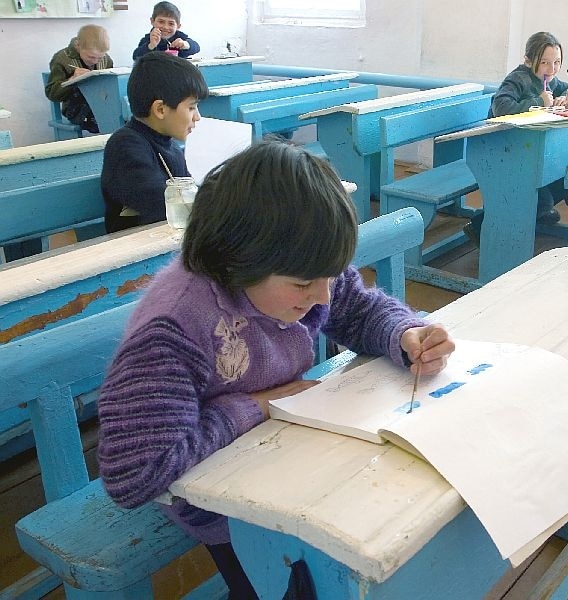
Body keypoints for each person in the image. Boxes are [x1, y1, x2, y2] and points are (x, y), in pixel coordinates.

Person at [97, 138, 456, 599]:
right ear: (236, 261)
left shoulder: (299, 266)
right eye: (305, 285)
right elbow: (136, 472)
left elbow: (357, 309)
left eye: (331, 276)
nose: (323, 295)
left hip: (290, 457)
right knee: (295, 584)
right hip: (224, 505)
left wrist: (405, 335)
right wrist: (255, 406)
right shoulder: (174, 329)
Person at [464, 31, 568, 246]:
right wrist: (538, 101)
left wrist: (565, 98)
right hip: (500, 150)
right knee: (538, 195)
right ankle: (480, 226)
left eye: (557, 62)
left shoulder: (549, 79)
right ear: (528, 61)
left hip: (524, 151)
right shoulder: (519, 78)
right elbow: (501, 107)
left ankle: (536, 211)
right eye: (545, 62)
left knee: (561, 178)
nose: (552, 69)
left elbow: (565, 89)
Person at [100, 51, 208, 233]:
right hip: (133, 245)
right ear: (160, 109)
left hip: (167, 238)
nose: (197, 117)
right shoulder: (125, 145)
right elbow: (159, 204)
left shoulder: (171, 146)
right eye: (191, 107)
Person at [45, 24, 113, 134]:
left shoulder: (107, 59)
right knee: (110, 119)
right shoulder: (61, 59)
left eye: (100, 58)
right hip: (76, 108)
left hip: (101, 104)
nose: (95, 61)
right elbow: (52, 94)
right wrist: (72, 79)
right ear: (78, 46)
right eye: (91, 57)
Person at [132, 1, 199, 60]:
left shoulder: (180, 37)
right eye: (161, 22)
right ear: (152, 21)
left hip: (177, 70)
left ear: (178, 26)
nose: (166, 27)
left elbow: (196, 47)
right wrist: (151, 45)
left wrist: (185, 44)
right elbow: (135, 57)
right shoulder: (148, 39)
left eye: (171, 23)